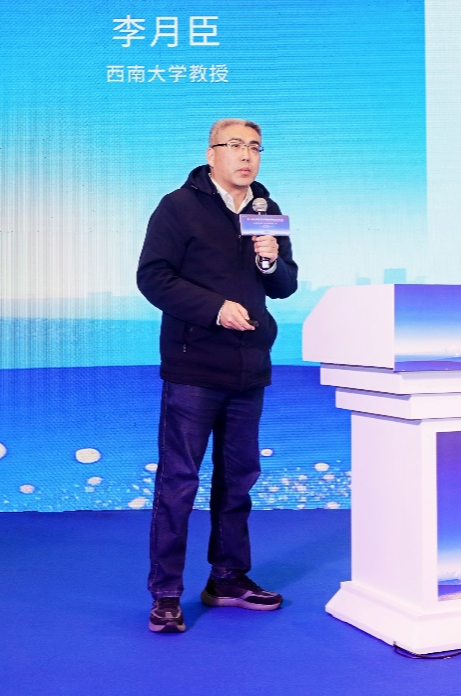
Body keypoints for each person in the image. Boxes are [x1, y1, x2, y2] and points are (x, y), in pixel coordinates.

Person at [136, 118, 298, 634]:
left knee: (239, 479)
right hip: (194, 367)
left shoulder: (266, 210)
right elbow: (153, 277)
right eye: (234, 145)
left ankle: (227, 578)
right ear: (211, 154)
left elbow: (286, 285)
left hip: (249, 368)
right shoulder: (178, 207)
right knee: (179, 481)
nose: (246, 155)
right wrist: (214, 309)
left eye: (255, 147)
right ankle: (166, 592)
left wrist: (270, 263)